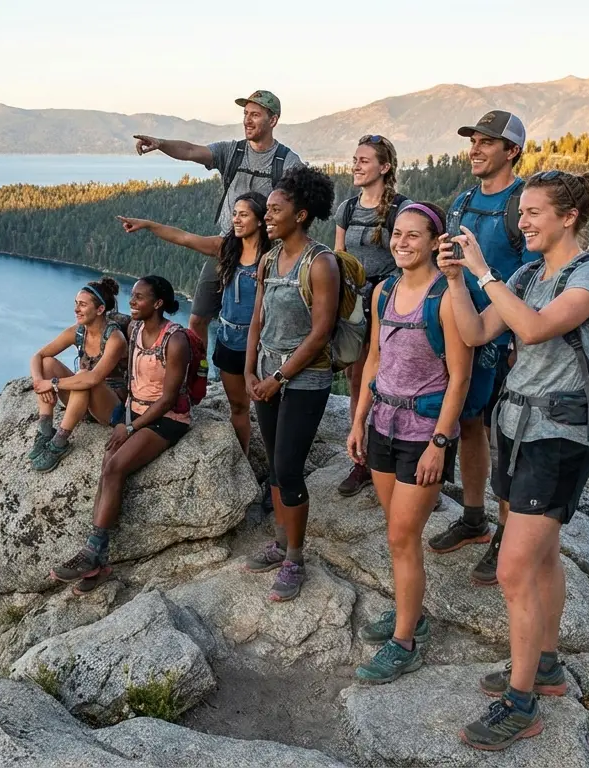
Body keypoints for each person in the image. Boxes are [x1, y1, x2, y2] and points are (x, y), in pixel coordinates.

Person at [439, 170, 589, 750]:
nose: (523, 222)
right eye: (521, 214)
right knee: (541, 559)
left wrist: (487, 274)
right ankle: (545, 664)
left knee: (513, 568)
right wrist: (458, 279)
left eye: (535, 212)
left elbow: (534, 329)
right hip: (514, 426)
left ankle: (522, 706)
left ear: (569, 217)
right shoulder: (527, 273)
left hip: (559, 437)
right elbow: (474, 331)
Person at [346, 201, 471, 683]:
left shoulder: (445, 298)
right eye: (397, 233)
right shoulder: (384, 292)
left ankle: (406, 642)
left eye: (413, 235)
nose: (401, 242)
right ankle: (409, 613)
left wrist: (441, 442)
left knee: (401, 535)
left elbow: (458, 378)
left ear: (434, 242)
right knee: (396, 531)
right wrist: (358, 422)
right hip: (382, 425)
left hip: (424, 434)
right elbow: (374, 359)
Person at [427, 110, 532, 587]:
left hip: (505, 337)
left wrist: (515, 340)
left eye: (487, 142)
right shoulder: (464, 200)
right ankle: (474, 516)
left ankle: (508, 534)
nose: (475, 148)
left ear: (511, 151)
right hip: (462, 329)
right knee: (470, 422)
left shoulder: (522, 204)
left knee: (505, 437)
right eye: (473, 140)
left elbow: (536, 276)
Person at [50, 276, 192, 594]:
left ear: (158, 303)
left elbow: (168, 399)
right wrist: (125, 418)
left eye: (139, 297)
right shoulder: (135, 330)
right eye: (132, 296)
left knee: (116, 467)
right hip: (136, 413)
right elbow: (106, 330)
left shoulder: (175, 340)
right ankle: (97, 561)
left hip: (166, 419)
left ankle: (92, 552)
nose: (132, 301)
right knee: (107, 464)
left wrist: (130, 427)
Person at [132, 91, 301, 343]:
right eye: (245, 114)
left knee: (262, 319)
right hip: (226, 247)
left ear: (273, 120)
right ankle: (202, 371)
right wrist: (161, 144)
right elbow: (190, 150)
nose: (247, 120)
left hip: (266, 251)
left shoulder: (287, 162)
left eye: (255, 114)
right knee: (198, 318)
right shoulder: (231, 152)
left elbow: (297, 211)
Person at [241, 164, 337, 602]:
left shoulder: (320, 263)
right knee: (277, 470)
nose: (267, 217)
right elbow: (257, 319)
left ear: (300, 215)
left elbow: (321, 332)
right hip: (265, 376)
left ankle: (295, 557)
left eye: (276, 210)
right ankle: (281, 542)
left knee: (290, 468)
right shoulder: (267, 259)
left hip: (303, 381)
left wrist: (278, 378)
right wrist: (249, 371)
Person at [116, 191, 271, 450]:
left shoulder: (273, 255)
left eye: (244, 215)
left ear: (259, 220)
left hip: (262, 343)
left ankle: (274, 467)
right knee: (239, 406)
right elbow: (185, 238)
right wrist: (149, 225)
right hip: (230, 341)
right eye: (234, 214)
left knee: (266, 409)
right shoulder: (226, 248)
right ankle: (243, 460)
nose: (236, 220)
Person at [335, 135, 410, 497]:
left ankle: (396, 455)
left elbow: (412, 254)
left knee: (393, 380)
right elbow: (338, 258)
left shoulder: (400, 209)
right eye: (354, 159)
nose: (356, 165)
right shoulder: (348, 209)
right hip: (354, 306)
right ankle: (361, 458)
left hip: (391, 304)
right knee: (357, 380)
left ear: (384, 167)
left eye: (364, 160)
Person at [28, 278, 129, 471]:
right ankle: (45, 432)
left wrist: (53, 384)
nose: (76, 309)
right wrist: (39, 381)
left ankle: (59, 443)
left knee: (84, 377)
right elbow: (38, 356)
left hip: (110, 408)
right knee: (47, 363)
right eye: (76, 304)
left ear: (100, 310)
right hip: (81, 404)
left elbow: (92, 378)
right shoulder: (79, 332)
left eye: (82, 305)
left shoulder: (115, 339)